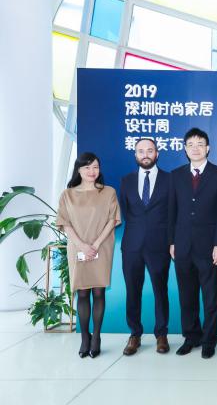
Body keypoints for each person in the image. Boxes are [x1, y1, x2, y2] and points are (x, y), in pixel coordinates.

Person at [168, 128, 217, 359]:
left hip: (209, 247)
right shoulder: (176, 175)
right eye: (191, 144)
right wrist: (172, 242)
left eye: (200, 144)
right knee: (187, 296)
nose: (195, 148)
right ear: (185, 149)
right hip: (182, 245)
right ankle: (191, 337)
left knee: (211, 297)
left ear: (208, 148)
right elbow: (171, 212)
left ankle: (208, 341)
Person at [56, 152, 121, 358]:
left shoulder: (108, 192)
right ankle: (85, 336)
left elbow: (112, 220)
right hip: (78, 248)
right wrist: (82, 246)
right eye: (87, 167)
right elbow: (65, 223)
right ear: (79, 170)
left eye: (95, 167)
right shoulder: (67, 194)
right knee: (82, 293)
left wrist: (95, 245)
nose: (92, 171)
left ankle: (96, 337)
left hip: (101, 247)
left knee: (99, 292)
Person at [119, 138, 171, 356]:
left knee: (160, 290)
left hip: (159, 245)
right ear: (135, 155)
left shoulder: (170, 179)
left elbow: (173, 213)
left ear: (157, 153)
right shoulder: (126, 181)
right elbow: (126, 211)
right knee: (133, 291)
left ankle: (161, 334)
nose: (146, 154)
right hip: (132, 245)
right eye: (141, 151)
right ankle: (135, 334)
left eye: (150, 150)